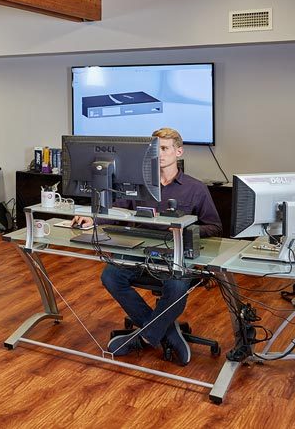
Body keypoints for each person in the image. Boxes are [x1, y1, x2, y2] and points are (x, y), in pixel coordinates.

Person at [71, 127, 221, 366]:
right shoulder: (139, 185)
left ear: (178, 152)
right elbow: (118, 210)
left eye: (164, 148)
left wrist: (181, 231)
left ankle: (145, 336)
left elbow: (214, 227)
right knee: (111, 275)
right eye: (155, 149)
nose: (159, 154)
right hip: (139, 254)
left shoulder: (196, 188)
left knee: (176, 284)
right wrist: (93, 219)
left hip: (175, 256)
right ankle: (167, 333)